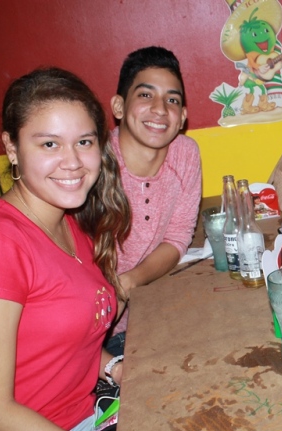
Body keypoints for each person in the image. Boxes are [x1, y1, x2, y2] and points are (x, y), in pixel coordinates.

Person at [0, 67, 267, 431]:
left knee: (229, 427)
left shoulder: (67, 227)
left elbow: (61, 336)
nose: (72, 162)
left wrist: (114, 368)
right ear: (11, 148)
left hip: (80, 419)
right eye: (48, 144)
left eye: (84, 142)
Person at [106, 46, 203, 356]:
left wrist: (130, 282)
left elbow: (178, 236)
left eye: (172, 100)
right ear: (119, 106)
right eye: (146, 95)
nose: (160, 109)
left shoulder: (185, 153)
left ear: (182, 116)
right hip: (99, 335)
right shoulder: (92, 163)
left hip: (153, 311)